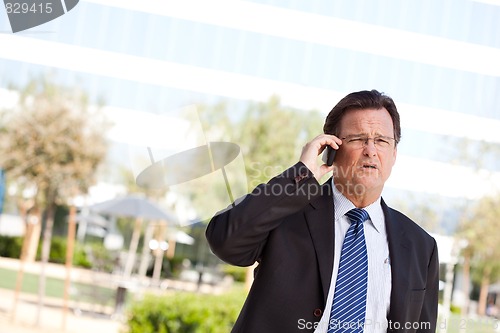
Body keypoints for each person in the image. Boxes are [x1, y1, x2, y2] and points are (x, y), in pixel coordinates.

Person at [206, 90, 439, 333]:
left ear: (394, 154)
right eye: (358, 139)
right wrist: (299, 175)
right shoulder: (287, 211)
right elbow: (225, 242)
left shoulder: (421, 246)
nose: (371, 150)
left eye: (381, 141)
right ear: (331, 148)